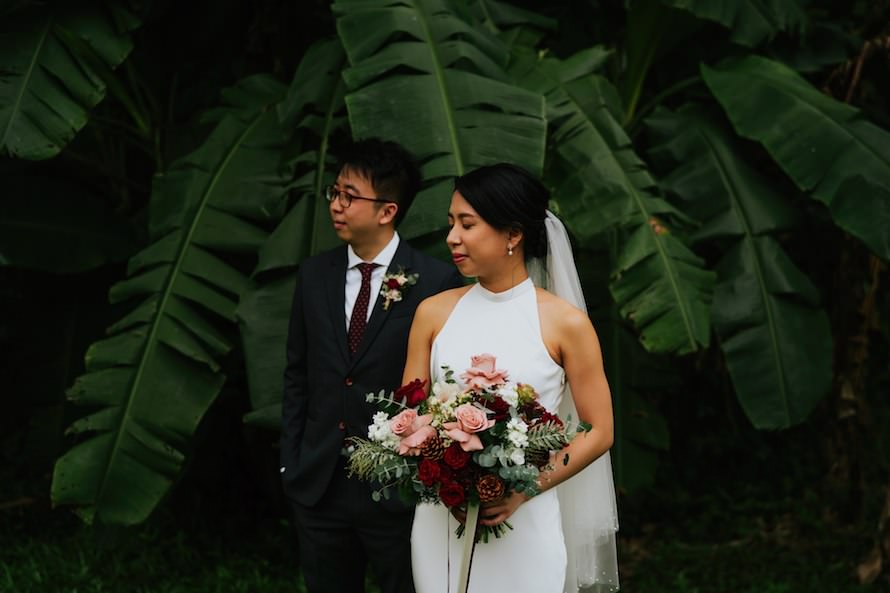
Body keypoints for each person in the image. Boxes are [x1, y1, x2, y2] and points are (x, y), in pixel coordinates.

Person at [402, 163, 620, 593]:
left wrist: (525, 489)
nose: (452, 238)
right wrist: (439, 469)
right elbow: (409, 416)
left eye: (468, 224)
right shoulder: (432, 312)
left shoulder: (565, 324)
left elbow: (600, 431)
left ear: (513, 235)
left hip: (524, 515)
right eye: (451, 224)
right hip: (441, 517)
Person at [280, 138, 464, 593]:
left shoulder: (436, 280)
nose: (337, 206)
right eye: (335, 193)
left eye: (350, 196)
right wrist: (292, 461)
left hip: (395, 487)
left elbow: (444, 384)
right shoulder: (313, 274)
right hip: (319, 482)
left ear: (387, 211)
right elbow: (297, 373)